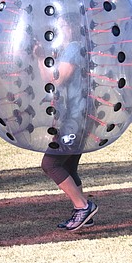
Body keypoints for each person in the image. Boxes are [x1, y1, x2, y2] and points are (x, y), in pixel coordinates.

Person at [39, 17, 97, 232]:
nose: (59, 29)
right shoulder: (74, 48)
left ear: (73, 27)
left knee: (51, 164)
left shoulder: (74, 47)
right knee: (68, 165)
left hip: (76, 116)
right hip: (79, 115)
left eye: (63, 25)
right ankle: (84, 214)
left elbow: (56, 79)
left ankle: (83, 206)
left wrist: (38, 58)